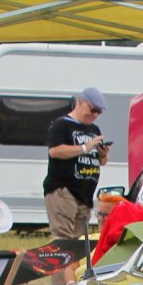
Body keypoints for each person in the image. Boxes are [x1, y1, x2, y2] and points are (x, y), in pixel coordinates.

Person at [43, 87, 110, 243]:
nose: (95, 115)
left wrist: (103, 153)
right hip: (64, 190)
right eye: (92, 109)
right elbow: (54, 151)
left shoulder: (94, 129)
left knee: (79, 243)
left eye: (99, 112)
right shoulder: (62, 124)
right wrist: (85, 147)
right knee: (63, 240)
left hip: (85, 195)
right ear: (80, 102)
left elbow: (102, 162)